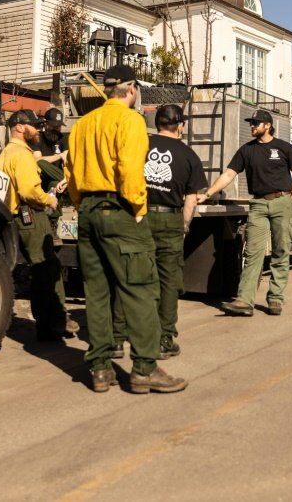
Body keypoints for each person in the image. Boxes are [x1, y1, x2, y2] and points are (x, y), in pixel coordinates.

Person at [64, 64, 187, 394]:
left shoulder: (83, 124)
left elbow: (72, 172)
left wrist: (82, 205)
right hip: (120, 209)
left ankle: (101, 369)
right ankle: (144, 369)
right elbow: (130, 169)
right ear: (131, 89)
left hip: (88, 211)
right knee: (140, 289)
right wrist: (137, 209)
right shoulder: (131, 121)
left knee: (97, 291)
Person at [112, 104, 206, 359]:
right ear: (180, 125)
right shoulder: (189, 156)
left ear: (157, 123)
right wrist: (184, 225)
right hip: (169, 221)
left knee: (130, 276)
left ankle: (117, 339)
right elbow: (191, 199)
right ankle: (164, 339)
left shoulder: (139, 144)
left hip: (137, 216)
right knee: (168, 281)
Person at [200, 109, 292, 317]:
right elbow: (229, 174)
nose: (252, 126)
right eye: (251, 123)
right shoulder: (246, 151)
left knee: (281, 251)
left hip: (282, 202)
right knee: (252, 254)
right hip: (257, 204)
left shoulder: (284, 148)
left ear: (268, 125)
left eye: (256, 123)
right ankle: (244, 300)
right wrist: (208, 193)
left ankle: (275, 298)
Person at [0, 109, 71, 342]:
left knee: (44, 267)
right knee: (45, 268)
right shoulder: (22, 154)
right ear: (19, 127)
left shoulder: (5, 154)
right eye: (33, 125)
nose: (38, 129)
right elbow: (29, 190)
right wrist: (49, 199)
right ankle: (51, 325)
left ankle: (52, 323)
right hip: (31, 215)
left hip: (18, 216)